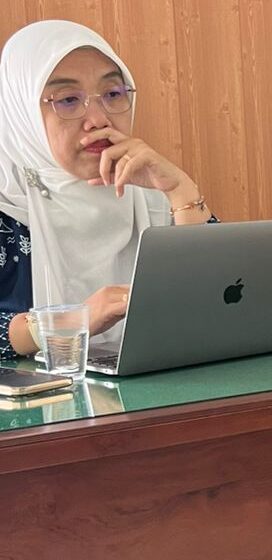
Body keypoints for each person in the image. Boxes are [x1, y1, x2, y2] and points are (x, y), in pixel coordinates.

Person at [0, 20, 215, 358]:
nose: (99, 119)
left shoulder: (154, 195)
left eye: (113, 94)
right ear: (21, 111)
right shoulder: (8, 208)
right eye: (68, 100)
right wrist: (69, 322)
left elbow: (224, 298)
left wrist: (180, 191)